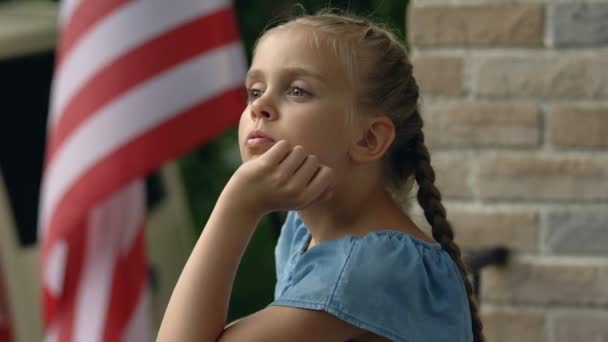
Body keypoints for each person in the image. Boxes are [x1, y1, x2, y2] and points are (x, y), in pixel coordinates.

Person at [157, 10, 483, 342]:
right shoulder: (301, 232)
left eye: (298, 91)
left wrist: (236, 207)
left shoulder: (371, 268)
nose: (260, 106)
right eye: (255, 91)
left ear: (368, 139)